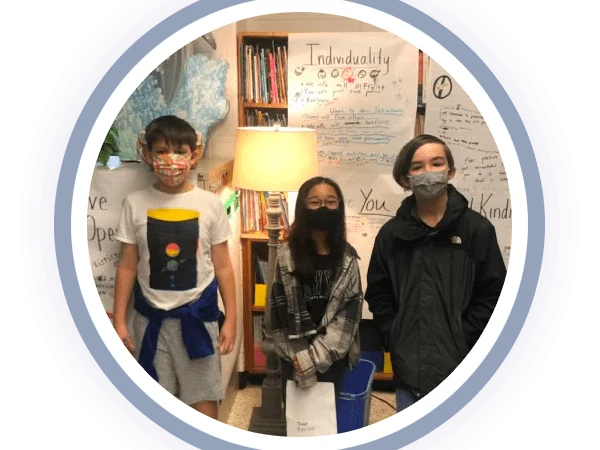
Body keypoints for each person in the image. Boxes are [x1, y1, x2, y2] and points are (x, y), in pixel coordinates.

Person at [364, 134, 506, 412]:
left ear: (450, 171)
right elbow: (379, 294)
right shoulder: (391, 235)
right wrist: (395, 335)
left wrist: (465, 336)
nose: (428, 172)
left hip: (465, 368)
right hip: (409, 369)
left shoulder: (478, 230)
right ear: (406, 179)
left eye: (436, 163)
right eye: (417, 167)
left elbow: (493, 293)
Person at [112, 115, 236, 420]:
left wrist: (232, 319)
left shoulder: (210, 203)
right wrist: (119, 321)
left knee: (204, 403)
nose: (171, 160)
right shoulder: (134, 203)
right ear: (148, 154)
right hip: (150, 321)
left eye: (180, 151)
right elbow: (127, 265)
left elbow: (223, 266)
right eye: (162, 151)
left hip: (198, 320)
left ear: (193, 156)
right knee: (154, 407)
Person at [269, 176, 363, 399]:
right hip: (293, 357)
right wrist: (300, 358)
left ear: (339, 206)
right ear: (303, 206)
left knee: (329, 417)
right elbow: (278, 314)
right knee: (294, 417)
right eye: (314, 202)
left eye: (330, 202)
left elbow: (349, 315)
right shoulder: (286, 257)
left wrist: (315, 358)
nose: (323, 208)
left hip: (332, 355)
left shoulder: (348, 259)